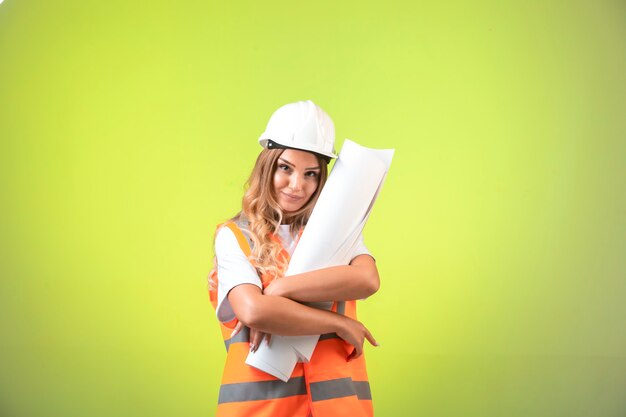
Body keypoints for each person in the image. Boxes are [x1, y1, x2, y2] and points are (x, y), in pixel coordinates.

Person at [208, 100, 380, 417]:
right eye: (285, 168)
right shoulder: (234, 236)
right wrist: (338, 324)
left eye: (311, 174)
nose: (297, 185)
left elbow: (367, 280)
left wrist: (280, 290)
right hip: (263, 408)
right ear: (266, 166)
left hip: (338, 408)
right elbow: (253, 309)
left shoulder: (339, 234)